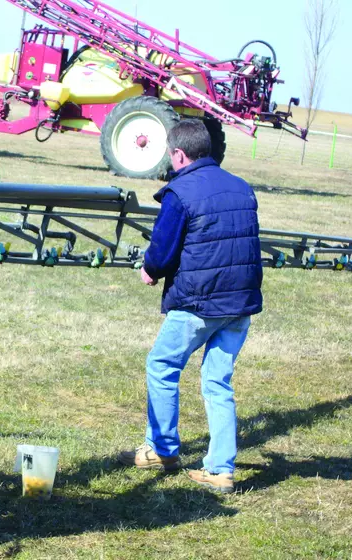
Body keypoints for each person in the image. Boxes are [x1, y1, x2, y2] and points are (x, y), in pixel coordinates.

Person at [117, 119, 263, 494]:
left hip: (199, 302)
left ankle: (162, 449)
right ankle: (220, 469)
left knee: (162, 365)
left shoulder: (179, 193)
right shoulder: (242, 188)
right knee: (218, 382)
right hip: (240, 304)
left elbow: (163, 251)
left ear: (178, 154)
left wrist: (150, 270)